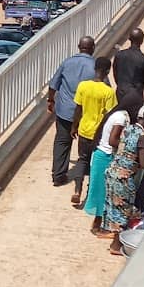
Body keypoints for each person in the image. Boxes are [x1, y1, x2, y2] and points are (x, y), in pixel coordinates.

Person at [46, 36, 97, 187]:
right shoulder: (95, 66)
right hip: (85, 113)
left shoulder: (67, 62)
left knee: (62, 141)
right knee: (87, 142)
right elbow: (104, 86)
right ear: (93, 48)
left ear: (78, 46)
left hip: (65, 111)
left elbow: (53, 85)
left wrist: (51, 100)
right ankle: (85, 168)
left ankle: (58, 175)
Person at [70, 54, 117, 208]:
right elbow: (110, 114)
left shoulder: (83, 86)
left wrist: (74, 126)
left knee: (82, 160)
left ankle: (77, 190)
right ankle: (91, 193)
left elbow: (78, 108)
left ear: (95, 68)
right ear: (107, 71)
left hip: (84, 129)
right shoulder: (108, 92)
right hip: (99, 134)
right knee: (95, 164)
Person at [103, 112, 144, 255]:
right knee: (123, 209)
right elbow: (143, 163)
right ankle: (116, 245)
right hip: (124, 177)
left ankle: (114, 239)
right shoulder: (143, 137)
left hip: (112, 172)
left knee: (112, 206)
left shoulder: (128, 128)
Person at [84, 106, 129, 230]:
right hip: (104, 157)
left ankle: (101, 224)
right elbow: (113, 140)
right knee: (101, 192)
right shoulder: (120, 118)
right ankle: (98, 226)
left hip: (102, 155)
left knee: (103, 191)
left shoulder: (116, 114)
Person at [113, 27, 144, 120]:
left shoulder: (119, 55)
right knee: (133, 121)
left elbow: (115, 73)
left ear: (129, 39)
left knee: (120, 119)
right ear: (142, 41)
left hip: (121, 93)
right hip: (136, 96)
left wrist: (120, 85)